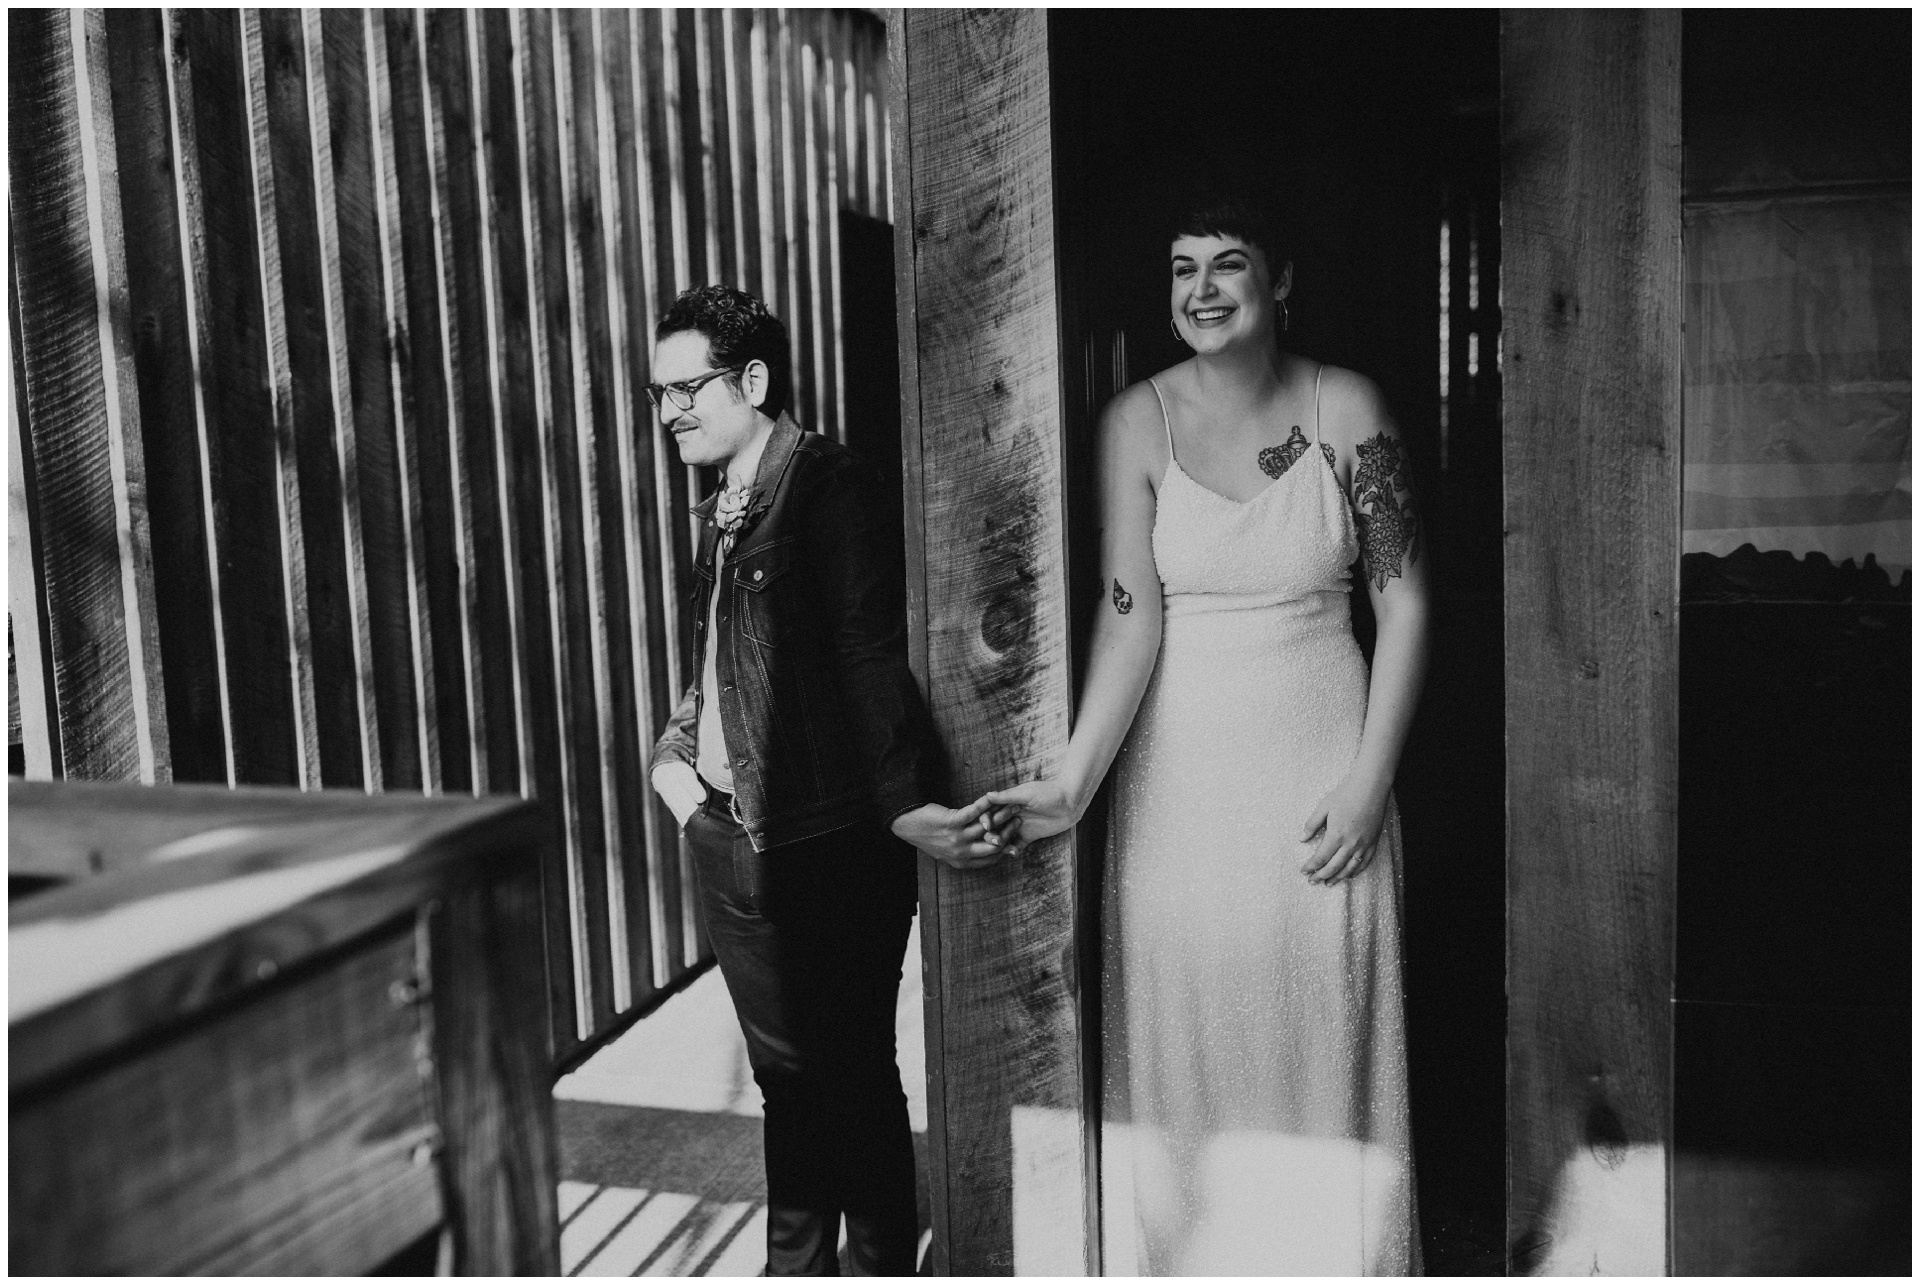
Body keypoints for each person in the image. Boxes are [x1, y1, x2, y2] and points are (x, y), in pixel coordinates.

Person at [986, 195, 1428, 1274]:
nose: (1203, 289)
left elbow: (1407, 604)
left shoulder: (1347, 407)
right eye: (1184, 268)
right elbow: (1127, 617)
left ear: (1281, 281)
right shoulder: (1135, 421)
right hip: (1179, 796)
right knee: (1188, 1057)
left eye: (1228, 263)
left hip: (1323, 787)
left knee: (1323, 1046)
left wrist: (1370, 782)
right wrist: (1075, 782)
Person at [645, 285, 1009, 1276]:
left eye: (687, 388)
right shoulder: (722, 505)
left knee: (848, 1075)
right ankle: (795, 1267)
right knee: (785, 1078)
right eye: (659, 393)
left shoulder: (828, 485)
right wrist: (674, 764)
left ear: (754, 380)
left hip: (827, 837)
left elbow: (865, 651)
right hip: (729, 833)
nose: (670, 410)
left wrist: (904, 805)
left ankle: (882, 1261)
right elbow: (715, 661)